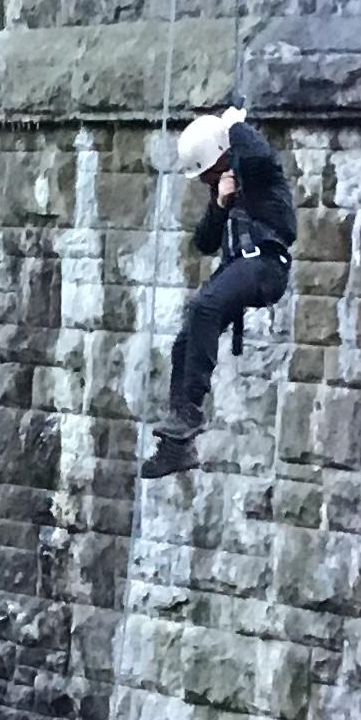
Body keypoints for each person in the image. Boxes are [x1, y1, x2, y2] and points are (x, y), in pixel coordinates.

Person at [141, 106, 297, 480]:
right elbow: (205, 242)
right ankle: (177, 447)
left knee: (204, 307)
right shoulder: (222, 188)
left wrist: (234, 125)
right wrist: (219, 203)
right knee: (185, 340)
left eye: (207, 172)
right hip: (237, 268)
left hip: (266, 266)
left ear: (221, 157)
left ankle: (190, 413)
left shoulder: (259, 171)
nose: (204, 180)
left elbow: (258, 153)